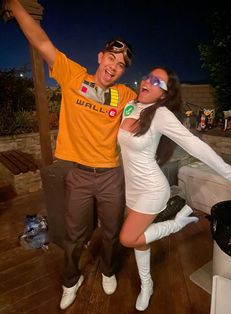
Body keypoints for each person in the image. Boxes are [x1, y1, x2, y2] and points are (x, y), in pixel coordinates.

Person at [5, 0, 137, 310]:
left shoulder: (125, 95)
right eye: (111, 59)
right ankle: (71, 279)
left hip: (111, 176)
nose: (114, 67)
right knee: (74, 236)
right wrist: (15, 5)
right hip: (78, 175)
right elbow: (41, 40)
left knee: (111, 231)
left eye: (120, 65)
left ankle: (107, 269)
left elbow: (147, 110)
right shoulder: (73, 77)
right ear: (100, 57)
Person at [118, 66, 231, 311]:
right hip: (132, 189)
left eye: (156, 81)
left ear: (163, 95)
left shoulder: (160, 114)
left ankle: (178, 223)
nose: (147, 80)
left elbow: (194, 145)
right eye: (148, 76)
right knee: (140, 240)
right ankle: (146, 285)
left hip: (151, 189)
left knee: (128, 237)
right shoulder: (130, 106)